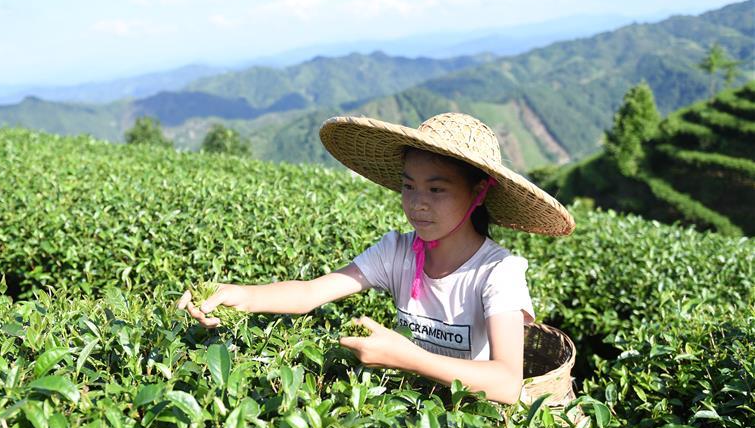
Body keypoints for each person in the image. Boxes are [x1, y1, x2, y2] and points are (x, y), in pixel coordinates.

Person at [177, 112, 575, 404]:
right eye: (408, 186)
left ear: (478, 192)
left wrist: (409, 358)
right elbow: (308, 294)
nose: (417, 204)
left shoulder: (497, 273)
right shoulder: (398, 251)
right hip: (410, 404)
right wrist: (238, 296)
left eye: (437, 190)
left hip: (474, 420)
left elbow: (506, 383)